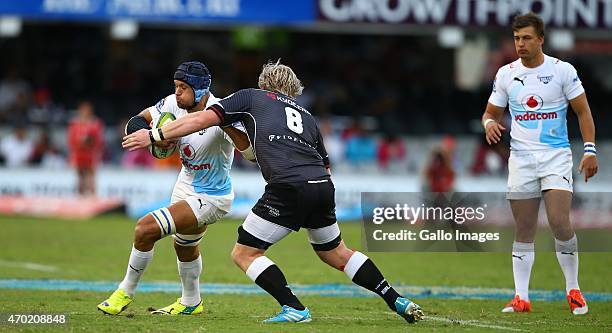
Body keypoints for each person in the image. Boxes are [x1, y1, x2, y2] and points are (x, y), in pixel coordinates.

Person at [123, 60, 424, 324]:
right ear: (292, 89)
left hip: (288, 186)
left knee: (244, 253)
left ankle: (294, 308)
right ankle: (395, 298)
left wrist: (154, 135)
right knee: (337, 253)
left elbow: (201, 119)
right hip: (322, 185)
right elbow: (325, 164)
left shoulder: (252, 97)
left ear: (264, 83)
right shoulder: (307, 116)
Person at [98, 61, 254, 316]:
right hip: (185, 184)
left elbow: (249, 153)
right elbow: (137, 120)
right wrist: (149, 137)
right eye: (176, 86)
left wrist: (224, 122)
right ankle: (191, 301)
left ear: (201, 90)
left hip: (212, 197)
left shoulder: (222, 111)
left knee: (145, 229)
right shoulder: (172, 103)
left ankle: (125, 292)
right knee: (185, 246)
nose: (177, 92)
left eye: (183, 87)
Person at [481, 13, 597, 315]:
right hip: (520, 159)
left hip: (556, 157)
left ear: (541, 39)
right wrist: (488, 123)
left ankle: (574, 290)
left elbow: (583, 112)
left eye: (527, 38)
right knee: (524, 229)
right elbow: (489, 113)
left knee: (560, 222)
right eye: (517, 38)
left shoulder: (562, 71)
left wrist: (590, 150)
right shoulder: (506, 73)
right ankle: (521, 298)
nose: (520, 43)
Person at [67, 101, 104, 196]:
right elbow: (71, 139)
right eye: (83, 110)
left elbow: (98, 139)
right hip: (78, 153)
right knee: (80, 176)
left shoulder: (95, 123)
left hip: (90, 153)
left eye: (87, 110)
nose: (84, 112)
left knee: (90, 175)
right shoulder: (74, 123)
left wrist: (89, 142)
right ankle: (81, 196)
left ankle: (92, 195)